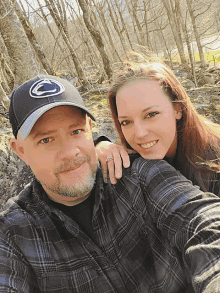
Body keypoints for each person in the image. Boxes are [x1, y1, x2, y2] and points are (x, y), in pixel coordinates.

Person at [1, 75, 220, 293]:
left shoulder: (139, 174)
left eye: (76, 131)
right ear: (20, 151)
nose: (70, 152)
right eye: (46, 140)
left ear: (89, 128)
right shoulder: (12, 234)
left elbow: (202, 218)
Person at [95, 52, 220, 195]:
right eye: (126, 122)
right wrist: (99, 144)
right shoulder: (129, 161)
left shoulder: (214, 162)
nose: (140, 134)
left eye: (151, 114)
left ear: (177, 108)